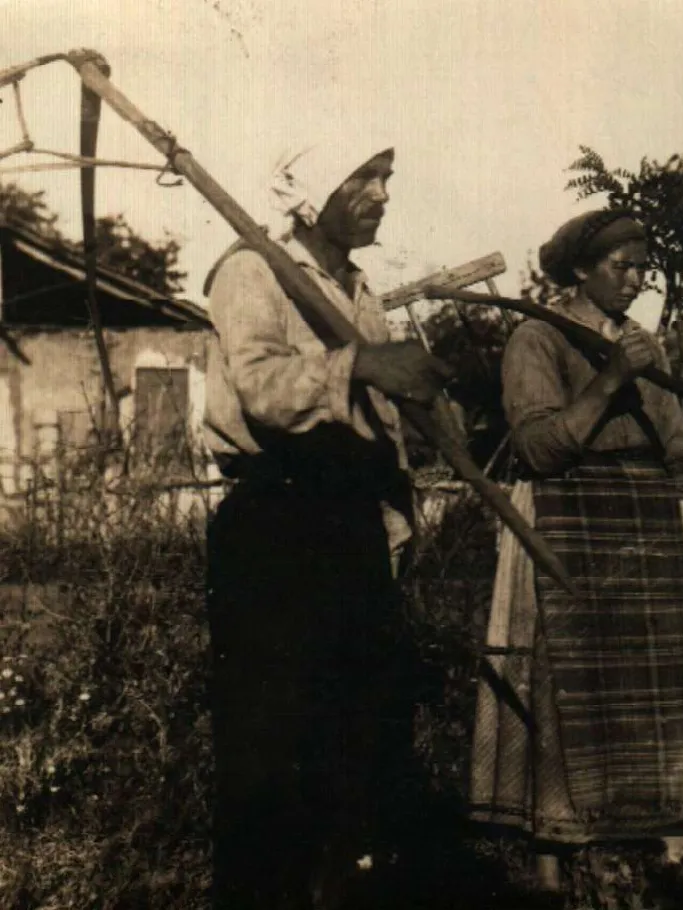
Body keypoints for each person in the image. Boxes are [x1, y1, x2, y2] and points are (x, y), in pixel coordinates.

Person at [202, 134, 453, 910]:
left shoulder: (359, 291)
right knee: (272, 748)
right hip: (276, 522)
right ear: (312, 191)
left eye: (387, 178)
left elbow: (381, 426)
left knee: (362, 739)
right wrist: (364, 366)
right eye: (364, 178)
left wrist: (399, 499)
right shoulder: (253, 270)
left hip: (349, 527)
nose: (381, 194)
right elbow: (263, 392)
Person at [469, 208, 683, 893]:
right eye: (619, 267)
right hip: (563, 517)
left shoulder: (643, 344)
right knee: (561, 679)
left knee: (640, 682)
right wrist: (609, 381)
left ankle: (623, 831)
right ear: (579, 268)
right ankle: (549, 846)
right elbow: (540, 447)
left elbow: (677, 458)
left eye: (641, 268)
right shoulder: (537, 336)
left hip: (642, 524)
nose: (634, 281)